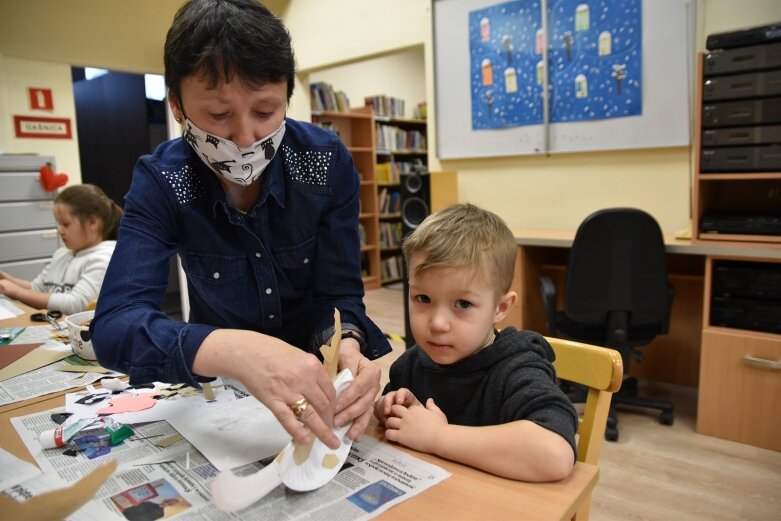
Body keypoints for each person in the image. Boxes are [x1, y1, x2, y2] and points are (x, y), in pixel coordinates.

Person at [92, 0, 391, 451]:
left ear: (288, 97)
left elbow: (338, 294)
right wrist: (235, 352)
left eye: (266, 111)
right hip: (221, 392)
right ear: (176, 105)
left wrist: (347, 340)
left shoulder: (325, 163)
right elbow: (116, 325)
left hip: (315, 391)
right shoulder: (164, 181)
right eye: (217, 116)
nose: (246, 138)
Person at [373, 203, 578, 482]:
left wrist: (438, 437)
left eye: (463, 303)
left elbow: (555, 454)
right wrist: (388, 407)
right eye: (423, 298)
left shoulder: (518, 368)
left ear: (501, 308)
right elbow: (393, 417)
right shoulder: (412, 362)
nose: (437, 324)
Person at [0, 184, 121, 315]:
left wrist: (17, 293)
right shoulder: (62, 254)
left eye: (65, 224)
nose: (60, 231)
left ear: (93, 223)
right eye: (58, 224)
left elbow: (77, 304)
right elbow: (37, 289)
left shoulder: (105, 258)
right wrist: (6, 280)